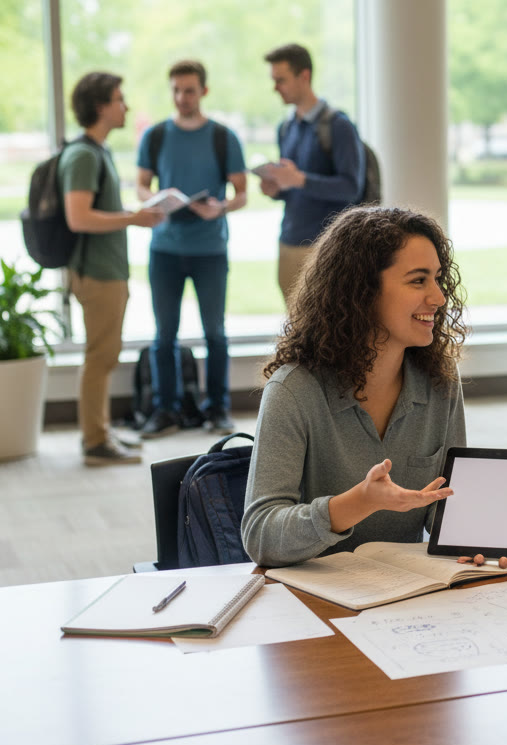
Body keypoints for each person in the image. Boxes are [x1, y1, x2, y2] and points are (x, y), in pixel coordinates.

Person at [242, 207, 468, 567]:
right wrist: (360, 501)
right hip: (313, 599)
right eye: (417, 280)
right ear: (362, 292)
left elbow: (444, 507)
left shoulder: (441, 383)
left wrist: (475, 538)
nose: (439, 298)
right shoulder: (294, 391)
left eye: (438, 278)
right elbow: (261, 536)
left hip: (406, 595)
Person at [135, 60, 248, 438]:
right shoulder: (154, 136)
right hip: (165, 249)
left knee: (215, 332)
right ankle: (164, 410)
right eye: (177, 90)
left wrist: (221, 207)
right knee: (163, 334)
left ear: (204, 91)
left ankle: (218, 408)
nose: (182, 97)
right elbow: (140, 186)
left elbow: (241, 192)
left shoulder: (223, 137)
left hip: (210, 249)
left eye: (189, 90)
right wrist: (156, 200)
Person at [61, 72, 166, 466]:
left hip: (107, 270)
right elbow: (78, 217)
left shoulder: (97, 151)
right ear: (102, 106)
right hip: (96, 273)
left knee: (105, 354)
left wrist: (132, 217)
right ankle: (95, 442)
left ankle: (100, 430)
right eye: (120, 99)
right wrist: (132, 219)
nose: (126, 106)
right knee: (100, 356)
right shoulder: (84, 155)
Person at [260, 42, 365, 304]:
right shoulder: (285, 128)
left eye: (281, 80)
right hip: (289, 241)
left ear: (304, 76)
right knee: (296, 329)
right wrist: (277, 190)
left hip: (325, 247)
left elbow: (351, 187)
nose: (275, 88)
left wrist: (300, 179)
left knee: (329, 331)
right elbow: (295, 191)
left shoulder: (339, 126)